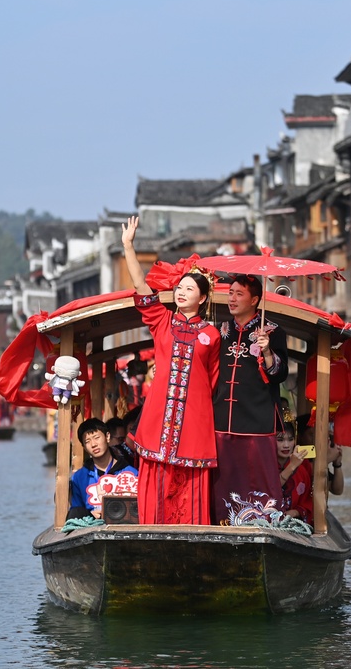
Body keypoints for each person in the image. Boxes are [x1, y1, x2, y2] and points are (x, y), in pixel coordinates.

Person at [122, 216, 221, 524]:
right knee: (157, 471)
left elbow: (212, 380)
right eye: (180, 287)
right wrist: (128, 245)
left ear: (202, 298)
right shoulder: (162, 321)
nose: (181, 292)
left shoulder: (212, 335)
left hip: (194, 417)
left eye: (189, 289)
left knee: (191, 476)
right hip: (158, 415)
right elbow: (141, 286)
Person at [211, 273, 290, 525]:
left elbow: (279, 374)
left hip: (258, 417)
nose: (231, 298)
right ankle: (221, 519)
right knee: (223, 474)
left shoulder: (274, 331)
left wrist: (267, 350)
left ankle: (263, 520)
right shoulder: (220, 330)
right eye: (230, 293)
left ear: (255, 299)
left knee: (258, 476)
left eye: (239, 294)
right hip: (223, 417)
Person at [68, 418, 138, 520]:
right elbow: (76, 512)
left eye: (97, 437)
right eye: (87, 441)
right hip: (92, 528)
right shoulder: (79, 477)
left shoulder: (131, 473)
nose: (93, 444)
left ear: (107, 437)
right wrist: (90, 514)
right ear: (84, 447)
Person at [275, 423, 314, 526]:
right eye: (280, 440)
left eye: (290, 439)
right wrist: (292, 466)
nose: (286, 445)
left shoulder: (302, 470)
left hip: (293, 523)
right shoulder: (264, 466)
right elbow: (270, 489)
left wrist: (294, 513)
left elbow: (308, 501)